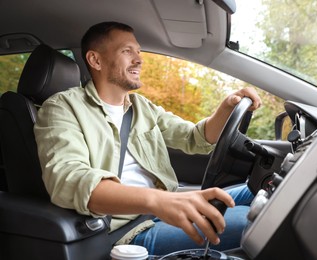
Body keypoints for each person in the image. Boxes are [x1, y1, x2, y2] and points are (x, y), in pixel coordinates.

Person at [34, 21, 262, 256]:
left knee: (260, 191)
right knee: (260, 221)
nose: (139, 59)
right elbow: (69, 179)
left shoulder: (141, 107)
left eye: (138, 51)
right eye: (127, 51)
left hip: (162, 207)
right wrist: (157, 201)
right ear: (95, 60)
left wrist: (226, 106)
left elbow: (195, 138)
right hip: (127, 230)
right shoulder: (62, 108)